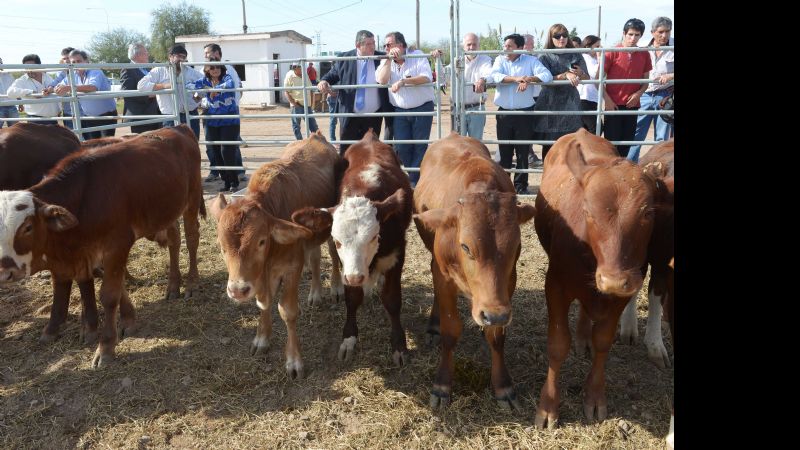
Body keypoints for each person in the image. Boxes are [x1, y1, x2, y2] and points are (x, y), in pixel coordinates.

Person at [490, 33, 553, 194]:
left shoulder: (530, 61)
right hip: (504, 113)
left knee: (522, 152)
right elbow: (494, 76)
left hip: (525, 113)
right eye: (505, 45)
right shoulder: (500, 60)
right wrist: (516, 79)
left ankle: (520, 187)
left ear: (519, 47)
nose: (506, 49)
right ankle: (504, 188)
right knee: (504, 152)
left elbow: (547, 76)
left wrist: (529, 79)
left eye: (510, 46)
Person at [317, 30, 392, 155]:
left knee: (371, 151)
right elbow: (331, 75)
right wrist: (323, 81)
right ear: (358, 45)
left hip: (373, 116)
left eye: (373, 43)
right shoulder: (344, 58)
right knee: (347, 152)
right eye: (368, 44)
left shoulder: (381, 58)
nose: (373, 46)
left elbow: (401, 58)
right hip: (350, 115)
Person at [376, 31, 435, 187]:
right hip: (400, 110)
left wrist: (403, 81)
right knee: (401, 146)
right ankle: (414, 176)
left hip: (422, 108)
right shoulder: (386, 61)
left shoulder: (417, 55)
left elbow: (426, 77)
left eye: (390, 45)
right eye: (385, 45)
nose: (386, 48)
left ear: (401, 45)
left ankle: (414, 181)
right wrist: (388, 60)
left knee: (419, 145)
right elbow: (382, 80)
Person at [533, 24, 589, 160]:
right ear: (551, 38)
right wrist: (565, 75)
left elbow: (587, 77)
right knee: (549, 145)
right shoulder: (544, 56)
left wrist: (580, 73)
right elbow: (541, 79)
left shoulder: (575, 54)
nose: (561, 38)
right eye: (557, 36)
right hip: (550, 102)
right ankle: (550, 176)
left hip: (570, 101)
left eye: (564, 35)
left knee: (572, 143)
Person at [601, 18, 652, 158]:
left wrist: (638, 94)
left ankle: (621, 174)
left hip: (632, 104)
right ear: (624, 33)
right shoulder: (611, 52)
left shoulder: (644, 54)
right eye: (630, 34)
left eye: (637, 35)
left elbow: (646, 81)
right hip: (614, 105)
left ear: (641, 35)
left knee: (627, 141)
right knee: (610, 144)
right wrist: (608, 100)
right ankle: (609, 174)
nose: (633, 38)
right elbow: (597, 79)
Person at [628, 16, 675, 162]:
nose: (664, 35)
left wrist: (671, 76)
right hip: (644, 94)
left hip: (665, 95)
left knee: (662, 137)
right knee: (636, 133)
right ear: (652, 32)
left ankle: (658, 168)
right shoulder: (642, 47)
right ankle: (630, 166)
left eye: (668, 31)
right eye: (660, 32)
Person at [137, 44, 204, 138]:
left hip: (190, 115)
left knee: (191, 147)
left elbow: (205, 86)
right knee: (172, 149)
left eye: (183, 57)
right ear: (170, 56)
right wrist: (165, 86)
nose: (181, 59)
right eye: (178, 56)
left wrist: (196, 99)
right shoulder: (159, 71)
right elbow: (141, 85)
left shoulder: (191, 72)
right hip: (169, 117)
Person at [193, 63, 240, 192]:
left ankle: (234, 182)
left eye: (218, 67)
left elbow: (230, 85)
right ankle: (226, 182)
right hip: (212, 121)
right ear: (207, 70)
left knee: (227, 151)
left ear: (222, 69)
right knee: (216, 152)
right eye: (212, 68)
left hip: (229, 120)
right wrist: (203, 92)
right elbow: (191, 86)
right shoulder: (205, 80)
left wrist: (214, 89)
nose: (215, 70)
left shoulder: (227, 77)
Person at [50, 49, 117, 140]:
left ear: (86, 61)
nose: (76, 64)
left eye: (79, 61)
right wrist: (51, 89)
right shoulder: (72, 75)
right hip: (89, 117)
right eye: (73, 62)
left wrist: (69, 87)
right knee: (92, 145)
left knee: (106, 145)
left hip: (105, 116)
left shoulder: (95, 71)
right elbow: (61, 85)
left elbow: (93, 87)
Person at [203, 43, 245, 182]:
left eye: (207, 53)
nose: (205, 56)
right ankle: (216, 171)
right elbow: (199, 87)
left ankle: (237, 171)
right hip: (210, 111)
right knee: (212, 144)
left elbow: (237, 86)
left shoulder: (229, 69)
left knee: (230, 145)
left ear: (217, 54)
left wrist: (231, 104)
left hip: (228, 111)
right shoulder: (202, 68)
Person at [440, 32, 493, 140]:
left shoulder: (485, 59)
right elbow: (443, 77)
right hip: (458, 109)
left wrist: (482, 79)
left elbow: (489, 73)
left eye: (474, 44)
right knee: (458, 143)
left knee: (476, 142)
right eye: (468, 45)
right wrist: (438, 60)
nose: (471, 47)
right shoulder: (457, 61)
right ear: (463, 47)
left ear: (478, 45)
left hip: (477, 107)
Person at [6, 54, 60, 125]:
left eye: (31, 67)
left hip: (53, 119)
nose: (29, 70)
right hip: (35, 120)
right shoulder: (22, 80)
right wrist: (31, 93)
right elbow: (10, 92)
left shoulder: (48, 77)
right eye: (26, 68)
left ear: (39, 66)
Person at [120, 43, 162, 133]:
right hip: (140, 117)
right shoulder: (127, 69)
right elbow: (127, 93)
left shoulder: (147, 69)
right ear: (137, 55)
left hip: (154, 113)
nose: (148, 54)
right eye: (146, 52)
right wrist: (151, 95)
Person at [522, 33, 543, 167]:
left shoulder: (536, 58)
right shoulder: (522, 59)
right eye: (531, 44)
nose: (533, 47)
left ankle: (530, 154)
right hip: (526, 96)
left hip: (537, 95)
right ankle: (528, 154)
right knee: (526, 126)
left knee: (535, 125)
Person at [284, 63, 319, 140]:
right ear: (295, 68)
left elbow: (310, 89)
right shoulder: (290, 75)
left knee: (313, 125)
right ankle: (299, 141)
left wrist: (311, 103)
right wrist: (293, 103)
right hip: (297, 104)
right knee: (296, 125)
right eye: (299, 67)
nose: (301, 69)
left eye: (301, 67)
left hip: (307, 104)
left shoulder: (305, 74)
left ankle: (317, 141)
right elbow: (286, 91)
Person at [578, 35, 602, 134]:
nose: (600, 48)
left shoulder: (592, 59)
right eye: (597, 46)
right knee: (595, 128)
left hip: (590, 97)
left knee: (587, 128)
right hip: (585, 97)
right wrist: (601, 58)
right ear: (588, 46)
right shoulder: (585, 57)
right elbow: (595, 74)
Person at [46, 47, 75, 129]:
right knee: (71, 136)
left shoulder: (82, 70)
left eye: (68, 58)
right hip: (68, 110)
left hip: (84, 111)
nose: (66, 61)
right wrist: (50, 88)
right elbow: (56, 81)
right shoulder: (62, 71)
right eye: (64, 58)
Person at [1, 56, 20, 128]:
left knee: (15, 128)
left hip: (12, 106)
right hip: (0, 106)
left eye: (0, 62)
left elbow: (15, 88)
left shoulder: (8, 75)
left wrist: (20, 102)